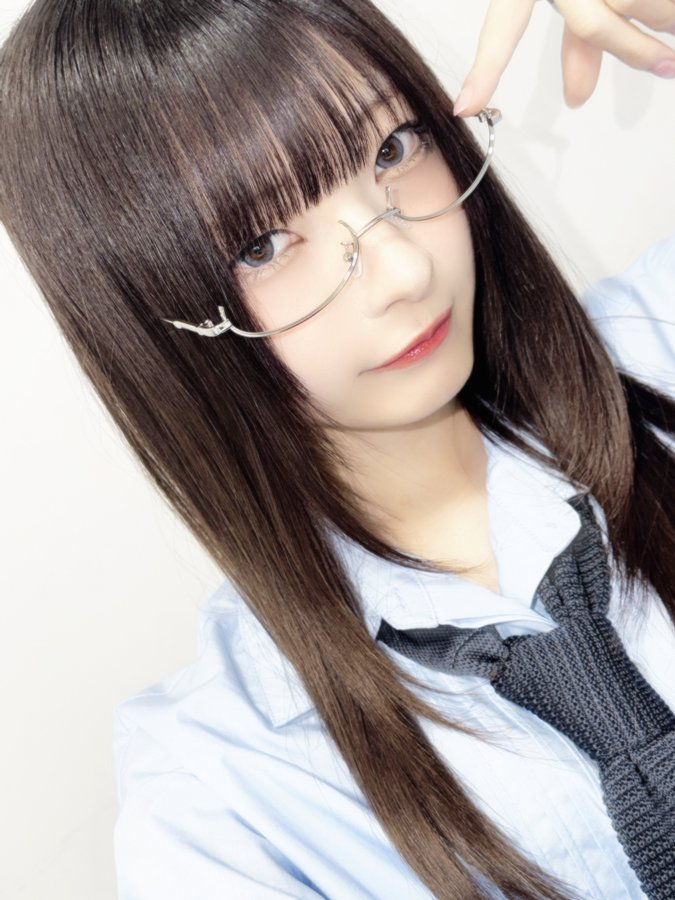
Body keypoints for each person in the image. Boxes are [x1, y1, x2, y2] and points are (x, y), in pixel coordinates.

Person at [1, 0, 674, 897]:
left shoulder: (659, 337)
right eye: (263, 244)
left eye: (392, 149)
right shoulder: (228, 797)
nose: (404, 269)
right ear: (147, 322)